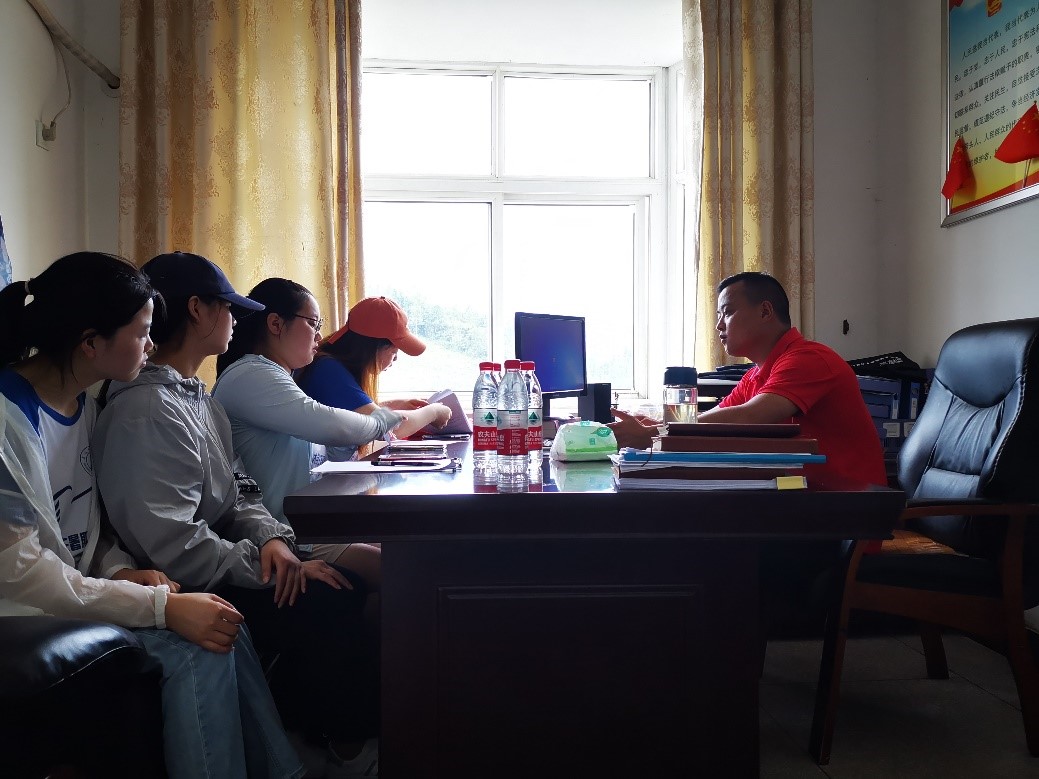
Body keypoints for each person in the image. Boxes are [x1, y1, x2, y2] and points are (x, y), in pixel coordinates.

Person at [0, 252, 302, 779]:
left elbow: (85, 528)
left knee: (222, 623)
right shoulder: (9, 420)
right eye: (141, 333)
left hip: (67, 589)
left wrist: (119, 569)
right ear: (90, 342)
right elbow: (21, 572)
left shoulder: (81, 406)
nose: (150, 344)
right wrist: (161, 607)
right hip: (22, 605)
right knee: (201, 645)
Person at [91, 252, 380, 778]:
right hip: (184, 581)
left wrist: (272, 541)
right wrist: (270, 567)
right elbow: (173, 544)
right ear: (197, 310)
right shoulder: (146, 410)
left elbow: (240, 492)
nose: (234, 319)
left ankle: (322, 736)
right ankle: (341, 748)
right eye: (226, 307)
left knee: (346, 582)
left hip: (224, 559)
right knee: (333, 597)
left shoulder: (197, 400)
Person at [210, 280, 446, 592]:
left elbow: (325, 447)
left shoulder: (280, 378)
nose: (320, 337)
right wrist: (412, 415)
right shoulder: (251, 375)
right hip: (279, 534)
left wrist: (366, 427)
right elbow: (340, 427)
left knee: (413, 551)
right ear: (276, 324)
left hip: (302, 525)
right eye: (313, 324)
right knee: (411, 575)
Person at [609, 271, 886, 487]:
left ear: (765, 312)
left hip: (845, 508)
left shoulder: (809, 358)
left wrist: (652, 435)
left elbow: (751, 415)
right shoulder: (756, 375)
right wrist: (656, 425)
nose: (719, 325)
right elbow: (708, 424)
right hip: (798, 496)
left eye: (727, 312)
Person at [295, 295, 452, 462]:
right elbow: (388, 429)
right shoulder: (328, 371)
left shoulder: (330, 364)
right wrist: (434, 412)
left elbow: (353, 416)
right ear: (372, 349)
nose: (395, 359)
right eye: (394, 352)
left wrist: (391, 405)